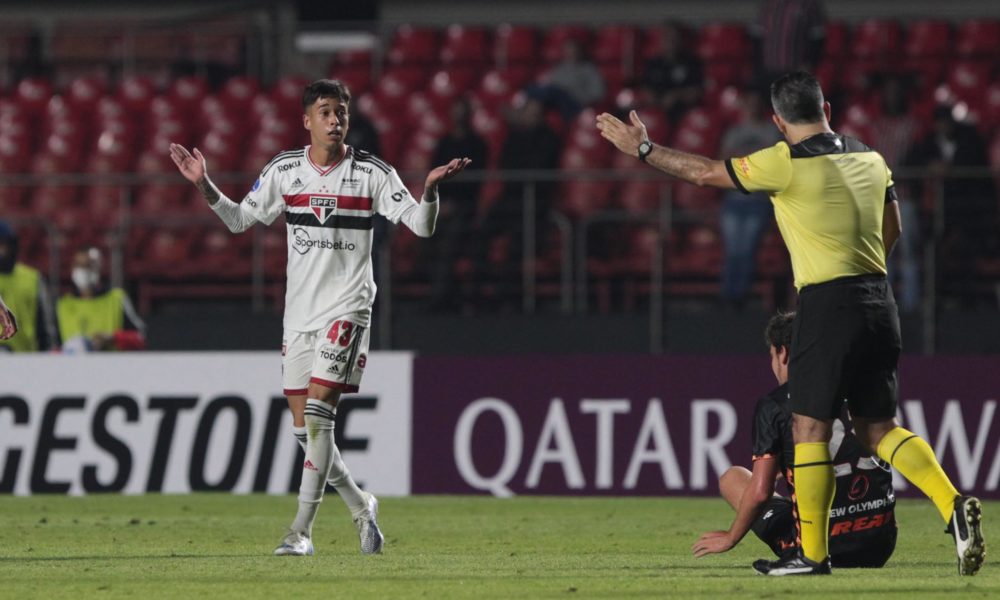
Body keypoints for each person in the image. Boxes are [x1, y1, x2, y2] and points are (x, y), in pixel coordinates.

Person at [596, 71, 984, 576]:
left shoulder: (784, 161)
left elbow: (704, 173)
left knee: (808, 426)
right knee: (876, 426)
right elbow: (894, 229)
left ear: (778, 121)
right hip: (879, 299)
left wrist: (645, 149)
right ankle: (952, 502)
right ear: (827, 107)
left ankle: (813, 556)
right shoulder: (871, 156)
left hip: (827, 303)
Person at [169, 79, 471, 557]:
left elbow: (421, 225)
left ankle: (300, 532)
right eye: (326, 112)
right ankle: (360, 505)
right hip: (299, 319)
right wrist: (204, 184)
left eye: (342, 113)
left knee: (316, 417)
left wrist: (429, 191)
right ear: (306, 120)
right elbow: (239, 220)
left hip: (348, 308)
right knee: (304, 434)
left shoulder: (372, 173)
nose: (335, 121)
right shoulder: (285, 172)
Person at [693, 311, 897, 568]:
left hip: (819, 547)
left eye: (772, 356)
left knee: (732, 478)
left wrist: (731, 538)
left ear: (783, 353)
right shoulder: (862, 386)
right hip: (879, 543)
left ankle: (810, 538)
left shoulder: (775, 404)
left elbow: (760, 493)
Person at [475, 97, 560, 309]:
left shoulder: (549, 138)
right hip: (510, 198)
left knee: (517, 243)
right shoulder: (515, 137)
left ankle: (508, 296)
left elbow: (540, 167)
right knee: (479, 231)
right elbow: (506, 165)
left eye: (534, 113)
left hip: (535, 203)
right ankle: (479, 290)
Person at [718, 88, 782, 308]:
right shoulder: (733, 132)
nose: (752, 107)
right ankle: (728, 294)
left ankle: (739, 295)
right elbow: (725, 162)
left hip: (758, 201)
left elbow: (773, 163)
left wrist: (743, 158)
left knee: (746, 248)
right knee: (733, 249)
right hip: (734, 200)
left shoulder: (771, 132)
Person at [425, 97, 488, 312]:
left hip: (465, 207)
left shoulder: (476, 144)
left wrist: (453, 203)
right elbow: (435, 175)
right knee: (423, 235)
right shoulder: (444, 143)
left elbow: (473, 182)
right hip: (442, 205)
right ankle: (432, 293)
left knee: (450, 242)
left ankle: (440, 299)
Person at [57, 246, 146, 353]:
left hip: (110, 367)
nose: (83, 271)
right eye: (79, 266)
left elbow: (140, 338)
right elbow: (51, 348)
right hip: (71, 368)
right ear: (72, 268)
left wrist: (113, 338)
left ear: (97, 268)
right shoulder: (63, 305)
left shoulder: (116, 299)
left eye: (88, 266)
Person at [0, 221, 58, 353]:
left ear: (11, 246)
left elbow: (44, 325)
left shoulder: (32, 279)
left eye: (2, 245)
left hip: (25, 358)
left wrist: (47, 352)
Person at [640, 22, 704, 124]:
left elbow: (696, 92)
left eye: (673, 37)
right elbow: (645, 90)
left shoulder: (691, 62)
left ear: (680, 39)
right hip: (656, 110)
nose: (670, 41)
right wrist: (654, 100)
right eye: (666, 37)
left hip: (683, 111)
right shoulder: (653, 63)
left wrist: (676, 96)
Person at [528, 38, 606, 121]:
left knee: (550, 92)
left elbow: (597, 93)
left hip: (574, 102)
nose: (570, 53)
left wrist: (578, 96)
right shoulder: (559, 68)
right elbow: (549, 83)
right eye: (567, 50)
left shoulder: (588, 69)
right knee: (533, 89)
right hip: (555, 100)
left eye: (573, 50)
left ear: (579, 51)